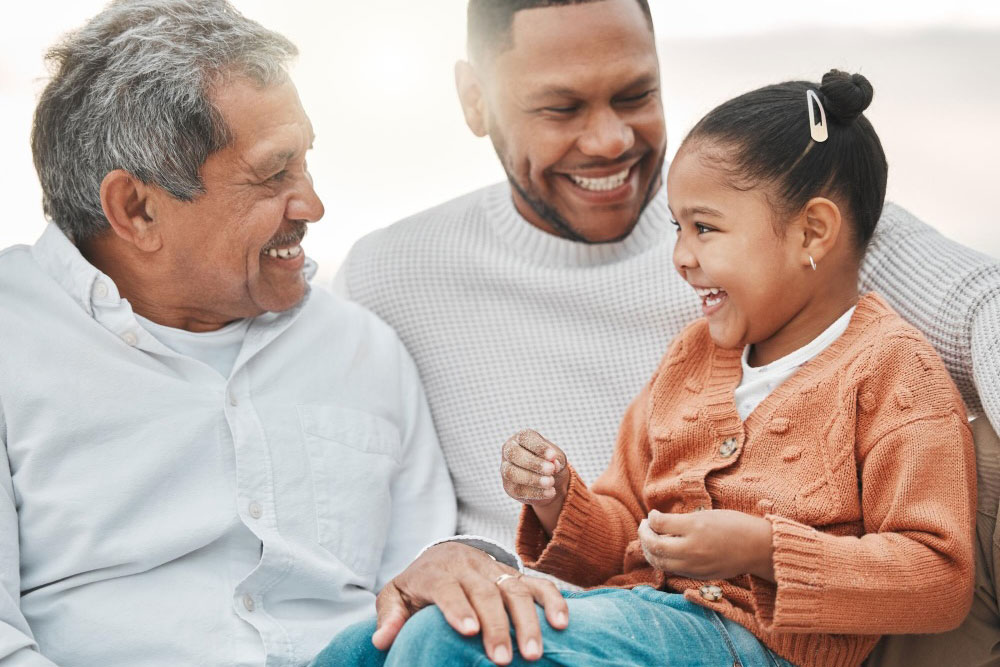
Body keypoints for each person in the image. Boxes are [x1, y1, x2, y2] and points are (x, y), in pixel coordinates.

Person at [331, 0, 1000, 664]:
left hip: (745, 641)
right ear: (475, 100)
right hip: (624, 616)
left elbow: (937, 577)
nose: (610, 141)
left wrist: (762, 550)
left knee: (442, 642)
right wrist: (561, 499)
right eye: (561, 107)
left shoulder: (878, 347)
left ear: (813, 233)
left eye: (636, 94)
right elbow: (626, 535)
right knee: (362, 646)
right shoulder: (695, 352)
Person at [0, 1, 456, 664]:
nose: (312, 205)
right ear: (137, 209)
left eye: (304, 162)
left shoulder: (365, 349)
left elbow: (424, 594)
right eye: (274, 175)